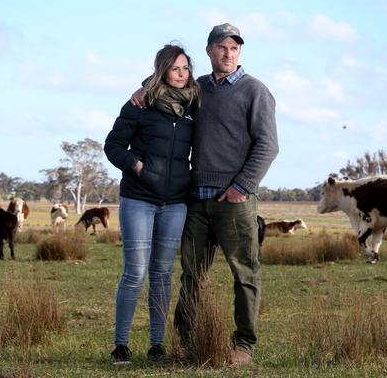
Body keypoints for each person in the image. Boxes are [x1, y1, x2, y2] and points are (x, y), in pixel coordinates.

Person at [132, 23, 278, 365]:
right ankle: (188, 343)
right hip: (196, 200)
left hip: (235, 203)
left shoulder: (255, 91)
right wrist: (140, 90)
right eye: (221, 47)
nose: (228, 54)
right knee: (192, 276)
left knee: (245, 274)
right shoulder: (197, 90)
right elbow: (165, 88)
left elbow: (268, 146)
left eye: (234, 48)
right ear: (210, 50)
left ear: (239, 52)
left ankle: (244, 345)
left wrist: (242, 187)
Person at [104, 43, 201, 365]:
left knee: (162, 274)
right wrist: (138, 167)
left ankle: (157, 345)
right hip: (138, 199)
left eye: (185, 68)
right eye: (175, 68)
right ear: (162, 70)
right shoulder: (140, 103)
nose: (181, 74)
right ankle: (121, 345)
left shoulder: (194, 105)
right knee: (135, 272)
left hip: (176, 202)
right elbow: (113, 145)